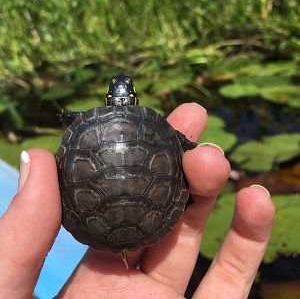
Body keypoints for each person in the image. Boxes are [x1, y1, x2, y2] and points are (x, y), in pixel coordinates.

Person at [0, 103, 275, 299]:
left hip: (95, 224)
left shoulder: (86, 123)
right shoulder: (152, 125)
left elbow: (72, 124)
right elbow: (177, 140)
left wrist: (69, 117)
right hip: (150, 223)